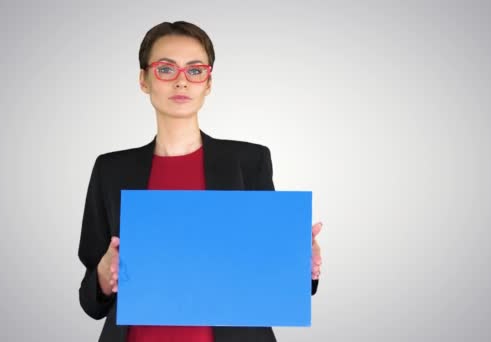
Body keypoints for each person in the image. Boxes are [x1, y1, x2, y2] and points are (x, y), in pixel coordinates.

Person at [77, 21, 324, 342]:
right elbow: (91, 301)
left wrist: (302, 261)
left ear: (208, 83)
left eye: (195, 71)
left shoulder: (248, 162)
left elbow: (273, 279)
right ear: (144, 79)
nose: (182, 82)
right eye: (166, 69)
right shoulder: (111, 169)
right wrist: (102, 276)